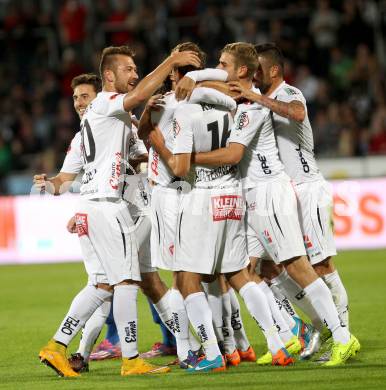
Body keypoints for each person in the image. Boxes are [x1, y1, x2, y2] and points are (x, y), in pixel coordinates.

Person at [176, 41, 359, 367]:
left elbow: (233, 154)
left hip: (271, 194)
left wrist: (186, 159)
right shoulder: (243, 102)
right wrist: (192, 80)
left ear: (241, 71)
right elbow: (212, 90)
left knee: (300, 267)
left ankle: (342, 336)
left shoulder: (256, 107)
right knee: (253, 271)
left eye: (224, 63)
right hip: (253, 198)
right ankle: (288, 335)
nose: (219, 68)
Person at [36, 45, 201, 377]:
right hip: (109, 208)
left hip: (98, 206)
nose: (135, 74)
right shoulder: (105, 104)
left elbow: (65, 179)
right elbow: (139, 94)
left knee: (102, 284)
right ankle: (130, 359)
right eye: (128, 69)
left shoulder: (93, 126)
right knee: (126, 281)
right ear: (109, 76)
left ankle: (58, 347)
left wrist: (48, 184)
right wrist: (171, 60)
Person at [149, 42, 295, 373]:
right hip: (232, 196)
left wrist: (159, 144)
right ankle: (276, 343)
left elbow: (181, 168)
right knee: (238, 274)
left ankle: (212, 353)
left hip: (202, 198)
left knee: (186, 278)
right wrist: (201, 76)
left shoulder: (182, 114)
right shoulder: (232, 105)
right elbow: (221, 81)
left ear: (178, 82)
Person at [229, 42, 359, 361]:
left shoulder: (289, 93)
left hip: (306, 188)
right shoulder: (255, 104)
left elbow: (298, 114)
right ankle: (305, 331)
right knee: (267, 268)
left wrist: (257, 97)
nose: (254, 73)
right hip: (279, 193)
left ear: (274, 70)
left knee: (319, 265)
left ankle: (342, 334)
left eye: (259, 68)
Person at [139, 42, 240, 368]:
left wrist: (155, 137)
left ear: (175, 72)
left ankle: (197, 350)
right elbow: (144, 132)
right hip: (200, 193)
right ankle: (229, 344)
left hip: (171, 194)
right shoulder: (221, 102)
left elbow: (149, 139)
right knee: (214, 276)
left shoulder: (174, 104)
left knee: (184, 279)